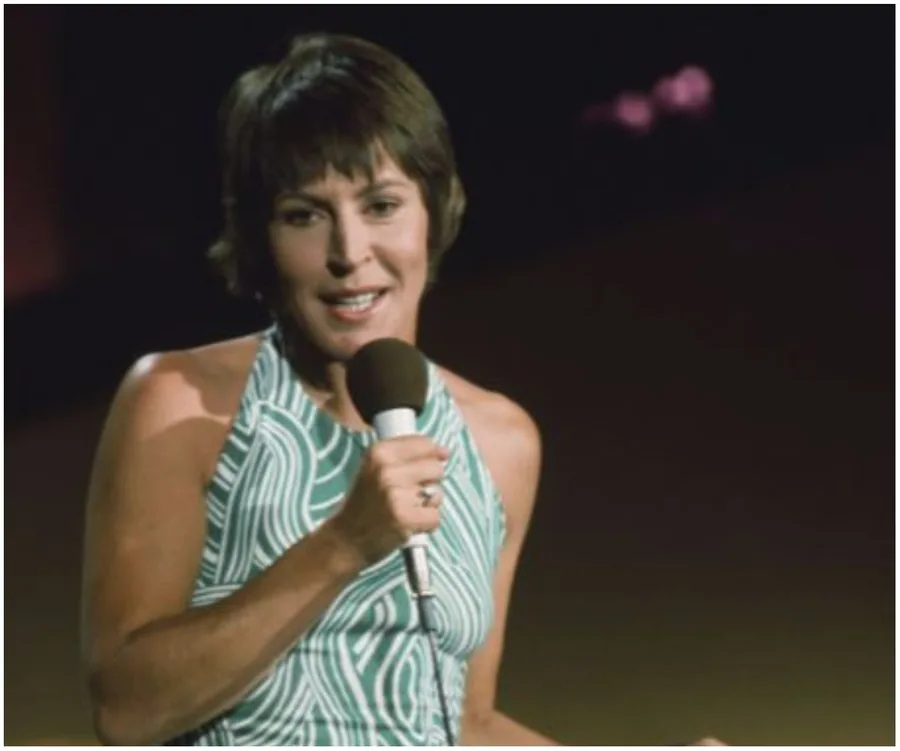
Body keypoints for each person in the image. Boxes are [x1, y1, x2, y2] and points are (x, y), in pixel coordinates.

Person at [80, 32, 723, 747]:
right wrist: (344, 544)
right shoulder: (178, 400)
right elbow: (126, 710)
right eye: (305, 214)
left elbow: (466, 723)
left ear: (436, 211)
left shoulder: (498, 441)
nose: (350, 254)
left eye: (381, 205)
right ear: (260, 239)